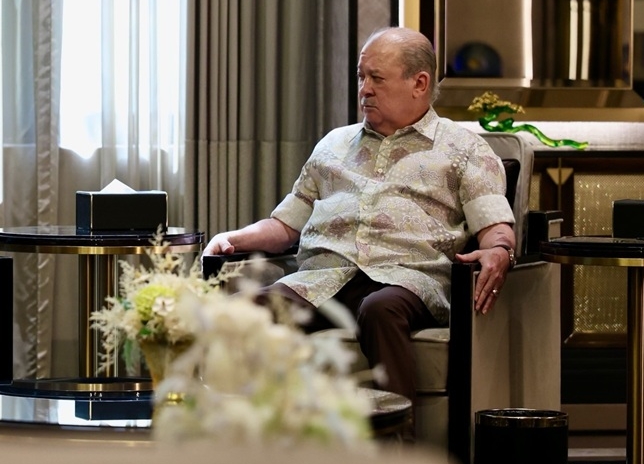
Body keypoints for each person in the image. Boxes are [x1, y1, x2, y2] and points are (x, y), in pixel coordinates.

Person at [203, 26, 516, 428]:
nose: (364, 89)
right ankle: (242, 445)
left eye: (377, 78)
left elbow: (494, 223)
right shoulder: (333, 145)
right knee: (249, 310)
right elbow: (285, 225)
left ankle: (396, 458)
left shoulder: (464, 149)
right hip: (323, 280)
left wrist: (499, 249)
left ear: (419, 83)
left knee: (379, 309)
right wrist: (232, 237)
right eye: (360, 76)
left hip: (408, 281)